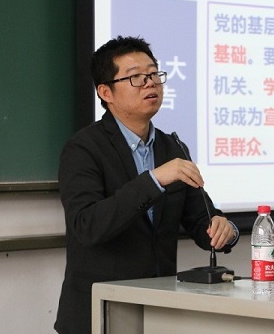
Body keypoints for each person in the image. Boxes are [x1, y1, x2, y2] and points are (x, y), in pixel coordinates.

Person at [54, 36, 239, 333]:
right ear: (106, 92)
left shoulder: (172, 147)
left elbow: (200, 219)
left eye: (153, 74)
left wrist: (222, 228)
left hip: (157, 312)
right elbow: (87, 226)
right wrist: (154, 180)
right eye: (136, 77)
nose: (150, 83)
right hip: (100, 313)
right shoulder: (83, 149)